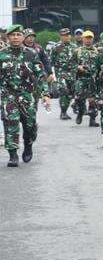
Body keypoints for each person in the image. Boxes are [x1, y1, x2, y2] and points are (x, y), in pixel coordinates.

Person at [0, 25, 50, 167]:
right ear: (8, 37)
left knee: (30, 126)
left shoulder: (31, 53)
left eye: (18, 34)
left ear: (23, 37)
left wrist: (45, 94)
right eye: (12, 35)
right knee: (11, 123)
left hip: (27, 95)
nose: (15, 37)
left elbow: (40, 75)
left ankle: (28, 144)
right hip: (8, 95)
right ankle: (13, 154)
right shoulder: (1, 54)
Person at [72, 30, 100, 126]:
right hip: (81, 78)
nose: (88, 40)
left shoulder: (97, 51)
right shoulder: (77, 51)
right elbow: (71, 64)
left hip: (93, 78)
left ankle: (92, 119)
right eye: (86, 38)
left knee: (93, 100)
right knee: (79, 98)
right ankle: (80, 112)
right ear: (83, 39)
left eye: (90, 38)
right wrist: (77, 67)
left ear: (93, 39)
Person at [51, 28, 77, 120]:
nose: (67, 37)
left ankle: (74, 104)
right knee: (64, 91)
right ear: (61, 36)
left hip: (73, 74)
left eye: (68, 35)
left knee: (72, 93)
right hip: (62, 73)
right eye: (64, 35)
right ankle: (63, 112)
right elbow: (52, 61)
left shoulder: (75, 47)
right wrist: (53, 74)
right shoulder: (56, 47)